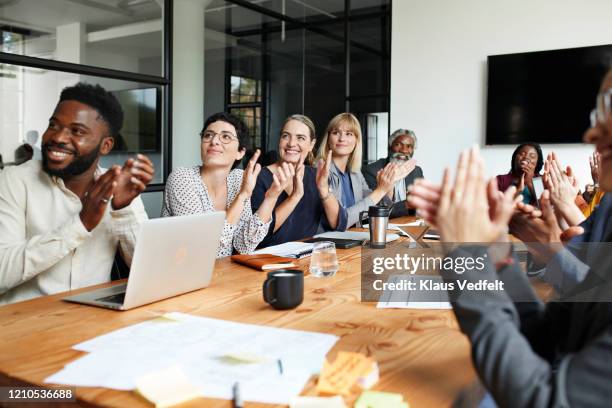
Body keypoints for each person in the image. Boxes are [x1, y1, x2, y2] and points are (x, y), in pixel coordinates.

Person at [0, 82, 153, 305]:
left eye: (77, 131)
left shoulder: (119, 188)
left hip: (90, 322)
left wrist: (123, 209)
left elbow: (147, 270)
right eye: (54, 125)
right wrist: (80, 225)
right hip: (22, 326)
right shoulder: (13, 181)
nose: (58, 138)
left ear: (106, 145)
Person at [162, 112, 284, 258]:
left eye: (225, 137)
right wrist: (242, 196)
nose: (214, 141)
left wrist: (271, 199)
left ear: (240, 152)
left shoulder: (238, 179)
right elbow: (202, 248)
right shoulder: (182, 178)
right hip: (181, 274)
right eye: (208, 135)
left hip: (223, 274)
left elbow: (244, 245)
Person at [251, 114, 346, 248]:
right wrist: (295, 197)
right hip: (266, 258)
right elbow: (258, 235)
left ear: (311, 144)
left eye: (300, 138)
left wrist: (324, 191)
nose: (291, 143)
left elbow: (338, 224)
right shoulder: (259, 177)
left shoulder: (316, 176)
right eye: (285, 136)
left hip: (305, 256)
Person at [316, 114, 413, 228]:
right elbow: (341, 221)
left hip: (351, 238)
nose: (342, 138)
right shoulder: (320, 170)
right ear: (328, 138)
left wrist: (389, 185)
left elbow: (374, 208)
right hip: (324, 242)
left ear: (357, 140)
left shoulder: (355, 173)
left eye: (349, 134)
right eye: (336, 133)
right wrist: (380, 190)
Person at [362, 128, 424, 217]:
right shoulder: (371, 171)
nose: (404, 150)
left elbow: (420, 205)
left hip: (409, 224)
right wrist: (407, 204)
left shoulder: (417, 171)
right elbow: (374, 211)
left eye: (409, 146)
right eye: (398, 144)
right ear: (389, 146)